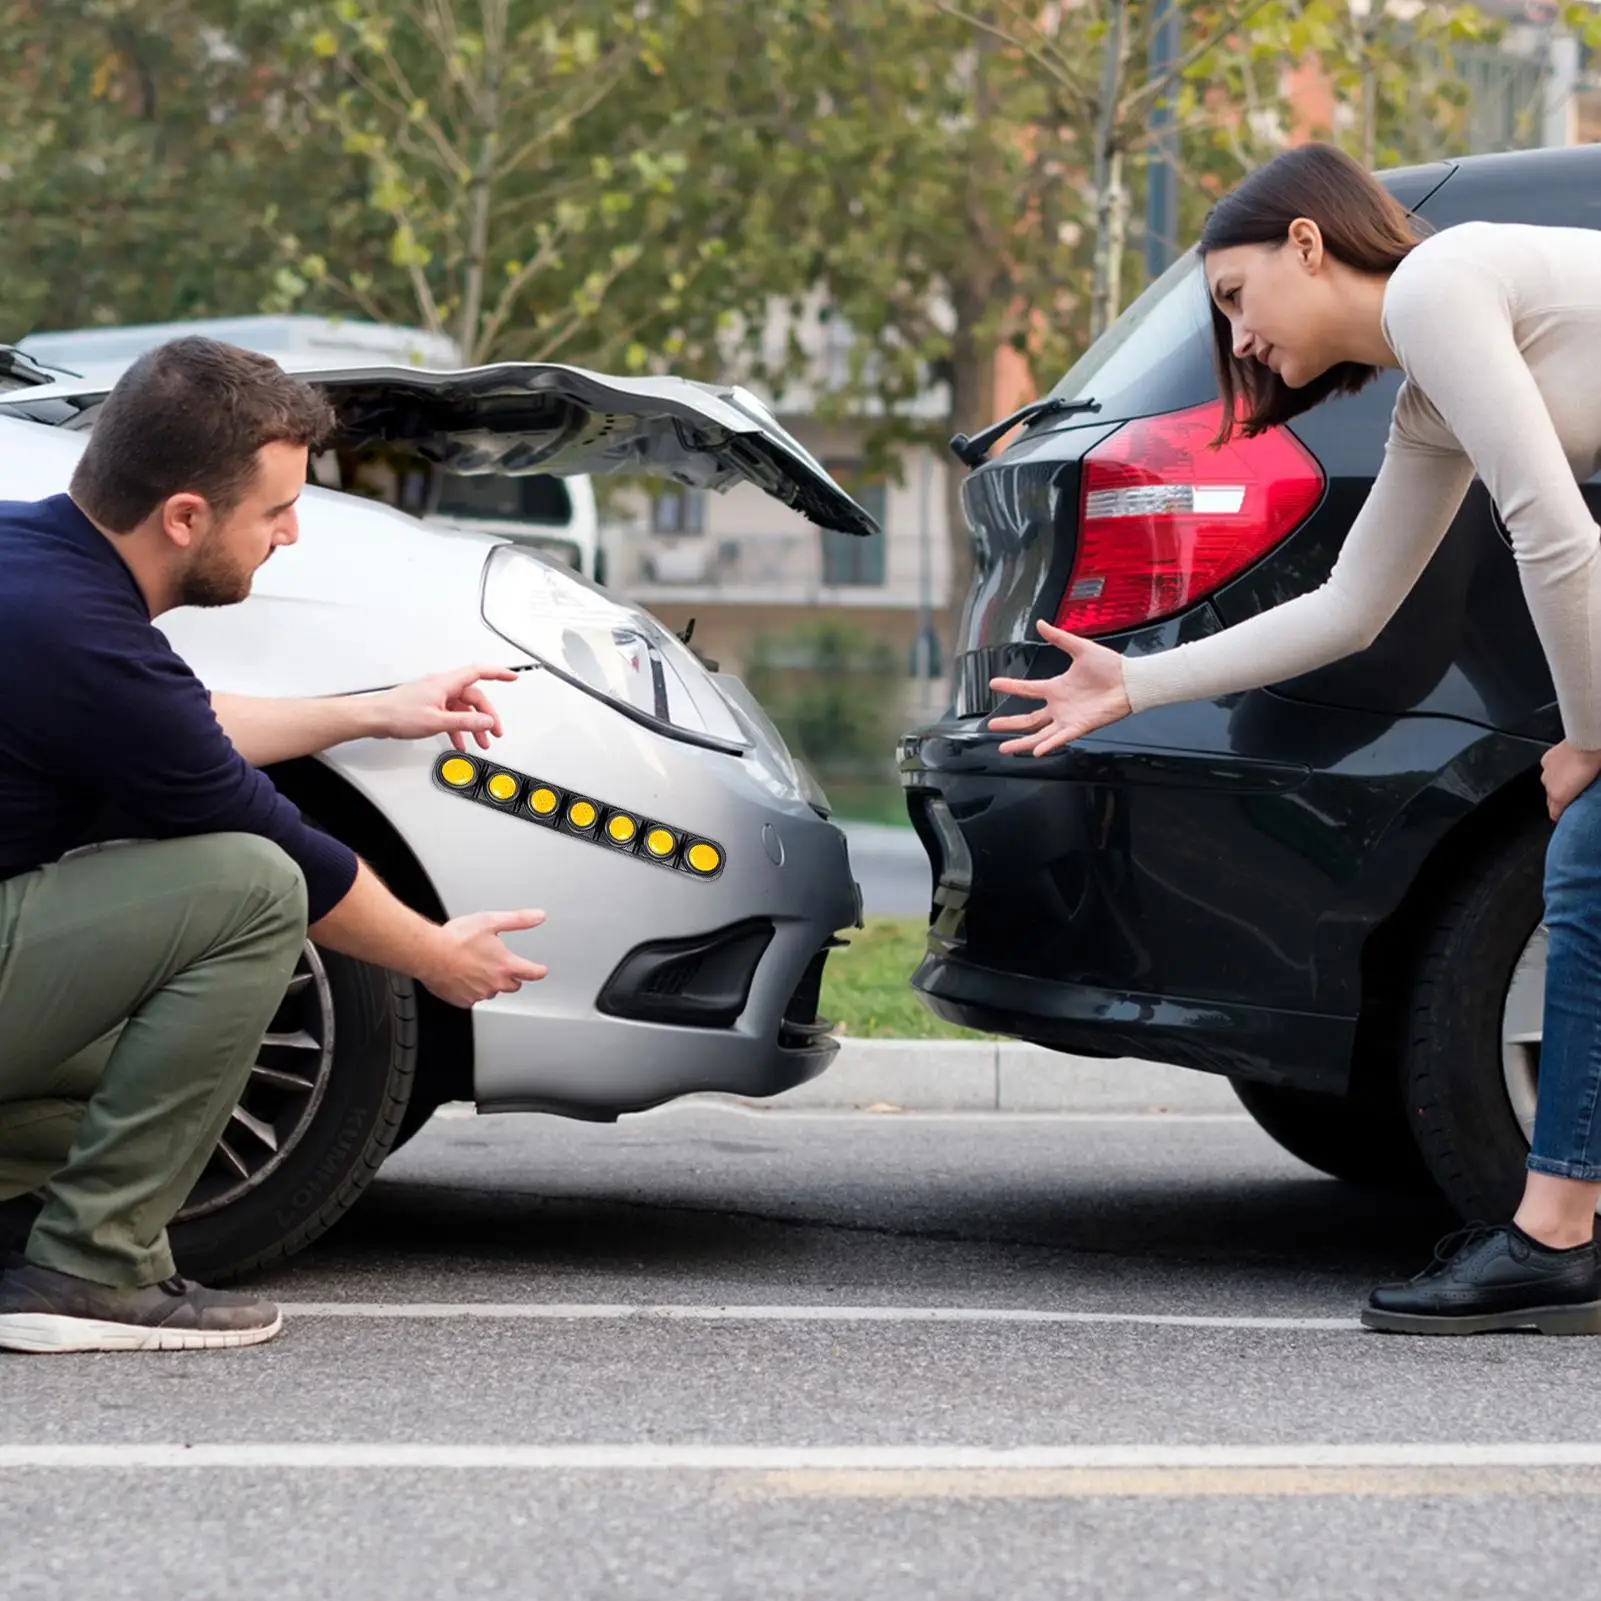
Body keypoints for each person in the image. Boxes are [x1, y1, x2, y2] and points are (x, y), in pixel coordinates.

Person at [988, 143, 1601, 1337]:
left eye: (1232, 295)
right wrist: (1133, 684)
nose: (1237, 337)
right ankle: (1556, 1226)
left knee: (1585, 848)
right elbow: (1349, 607)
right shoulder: (1429, 392)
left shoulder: (1440, 285)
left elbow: (1553, 535)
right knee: (1587, 865)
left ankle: (1555, 1231)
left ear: (1308, 244)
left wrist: (1585, 743)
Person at [0, 337, 548, 1354]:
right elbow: (287, 853)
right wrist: (440, 957)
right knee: (249, 883)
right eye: (276, 510)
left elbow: (177, 720)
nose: (292, 533)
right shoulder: (81, 637)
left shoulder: (29, 563)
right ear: (185, 517)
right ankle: (88, 1270)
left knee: (145, 1086)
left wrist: (375, 711)